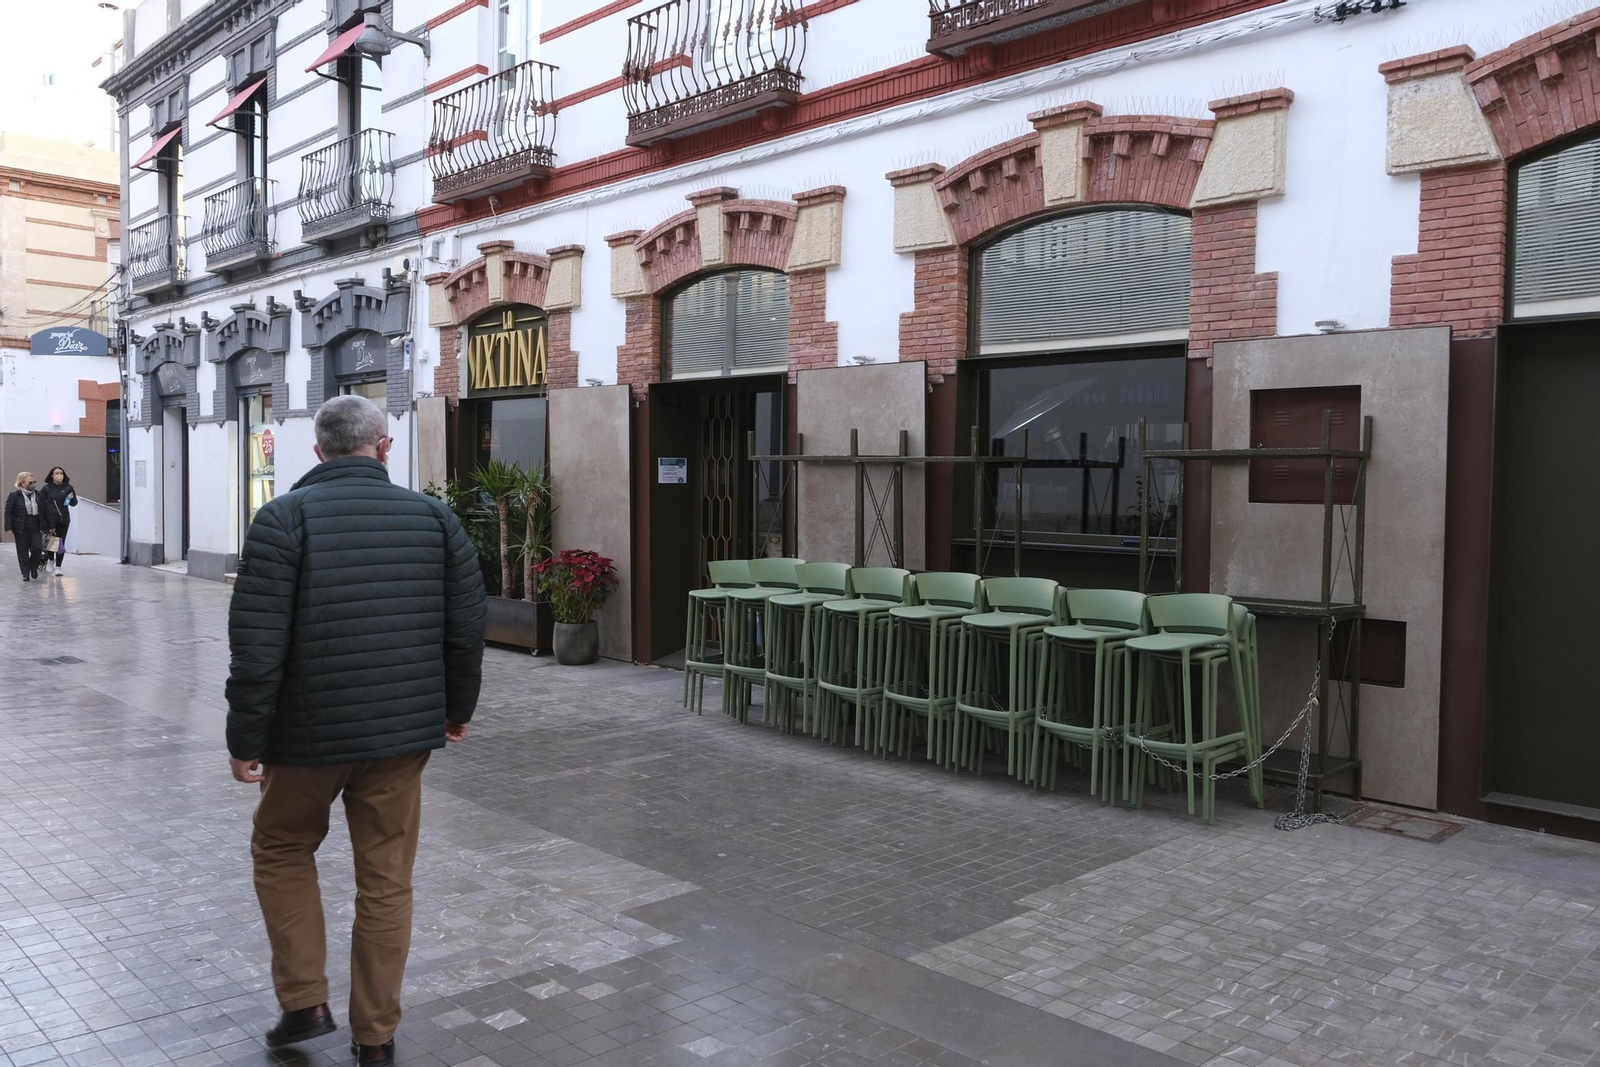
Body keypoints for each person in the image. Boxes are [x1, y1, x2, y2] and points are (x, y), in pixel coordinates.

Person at [225, 395, 487, 1067]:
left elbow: (256, 645)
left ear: (318, 452)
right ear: (384, 446)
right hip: (400, 739)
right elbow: (465, 633)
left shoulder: (283, 518)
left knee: (282, 847)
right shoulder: (436, 520)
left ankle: (306, 1000)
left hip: (302, 739)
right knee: (387, 878)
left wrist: (244, 739)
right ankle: (376, 1037)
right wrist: (457, 710)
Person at [5, 472, 47, 581]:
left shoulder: (39, 495)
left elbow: (45, 511)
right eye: (30, 482)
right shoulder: (14, 495)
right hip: (21, 526)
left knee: (37, 548)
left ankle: (33, 567)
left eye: (34, 482)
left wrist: (49, 525)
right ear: (22, 483)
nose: (33, 484)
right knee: (22, 550)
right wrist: (9, 527)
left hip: (36, 525)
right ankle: (25, 573)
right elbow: (8, 512)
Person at [39, 466, 77, 575]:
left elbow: (73, 503)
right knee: (51, 542)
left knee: (60, 543)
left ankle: (59, 567)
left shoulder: (68, 487)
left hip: (63, 519)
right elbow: (41, 503)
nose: (59, 475)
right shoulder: (46, 488)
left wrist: (70, 498)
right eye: (56, 473)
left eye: (61, 473)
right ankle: (51, 560)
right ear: (52, 475)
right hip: (50, 519)